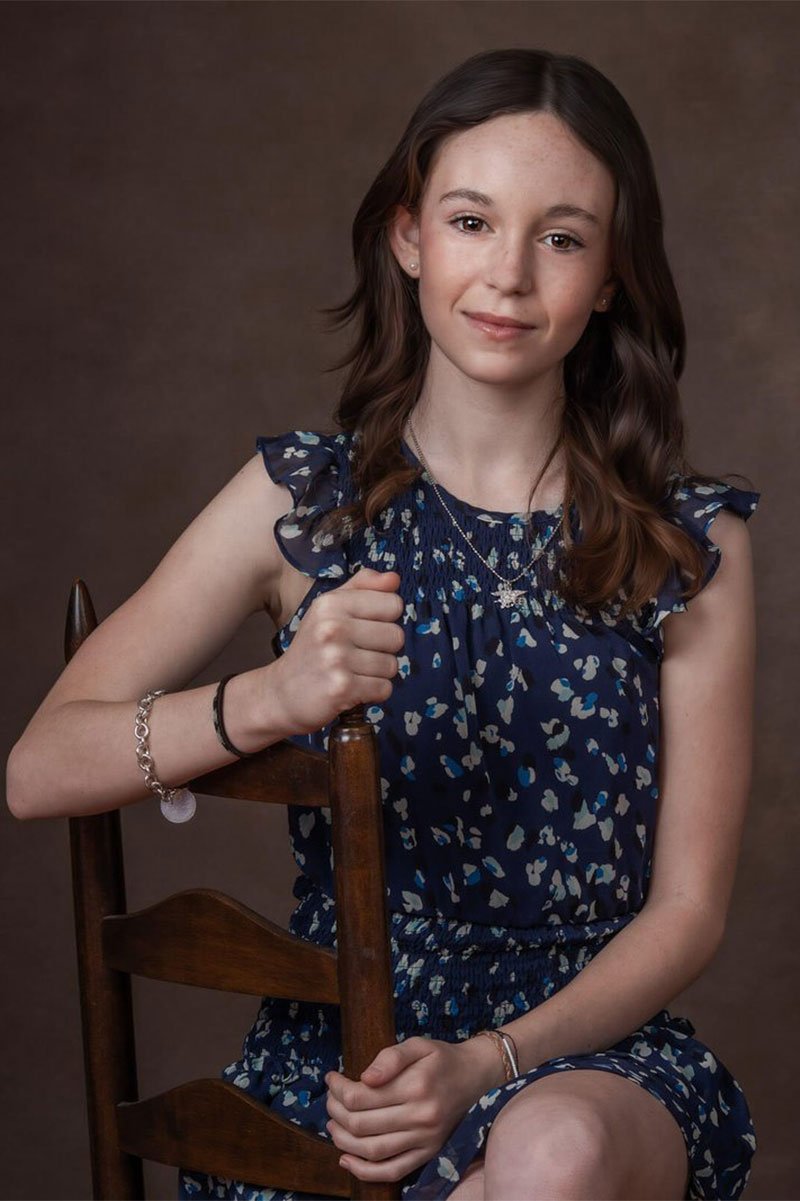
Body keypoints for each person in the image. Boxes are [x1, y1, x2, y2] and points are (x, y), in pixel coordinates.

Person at [6, 46, 760, 1201]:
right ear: (408, 235)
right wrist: (268, 699)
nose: (507, 273)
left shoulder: (684, 541)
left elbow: (689, 909)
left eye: (559, 238)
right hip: (345, 1067)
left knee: (551, 1150)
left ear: (609, 274)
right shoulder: (303, 501)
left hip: (584, 1054)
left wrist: (484, 1063)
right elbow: (38, 768)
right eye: (470, 221)